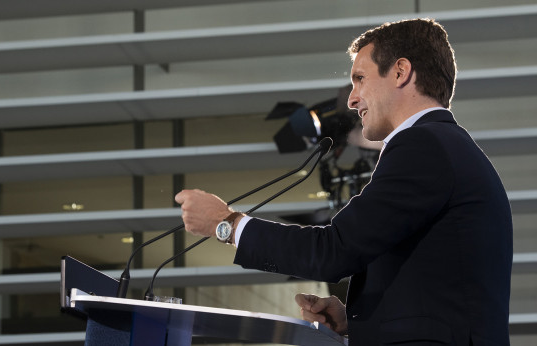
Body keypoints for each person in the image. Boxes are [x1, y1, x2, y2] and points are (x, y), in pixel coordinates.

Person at [175, 18, 512, 345]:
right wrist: (358, 318)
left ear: (400, 72)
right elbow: (441, 285)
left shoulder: (424, 146)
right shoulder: (445, 147)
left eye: (360, 78)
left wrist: (227, 224)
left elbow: (333, 251)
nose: (352, 99)